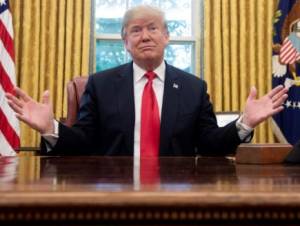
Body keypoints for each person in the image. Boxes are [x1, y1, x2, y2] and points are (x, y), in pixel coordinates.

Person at [6, 5, 288, 157]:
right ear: (125, 42)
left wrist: (245, 123)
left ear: (166, 36)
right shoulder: (100, 85)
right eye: (136, 30)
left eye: (153, 28)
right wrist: (50, 127)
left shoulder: (193, 87)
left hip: (178, 196)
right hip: (112, 194)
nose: (145, 36)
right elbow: (83, 143)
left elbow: (211, 144)